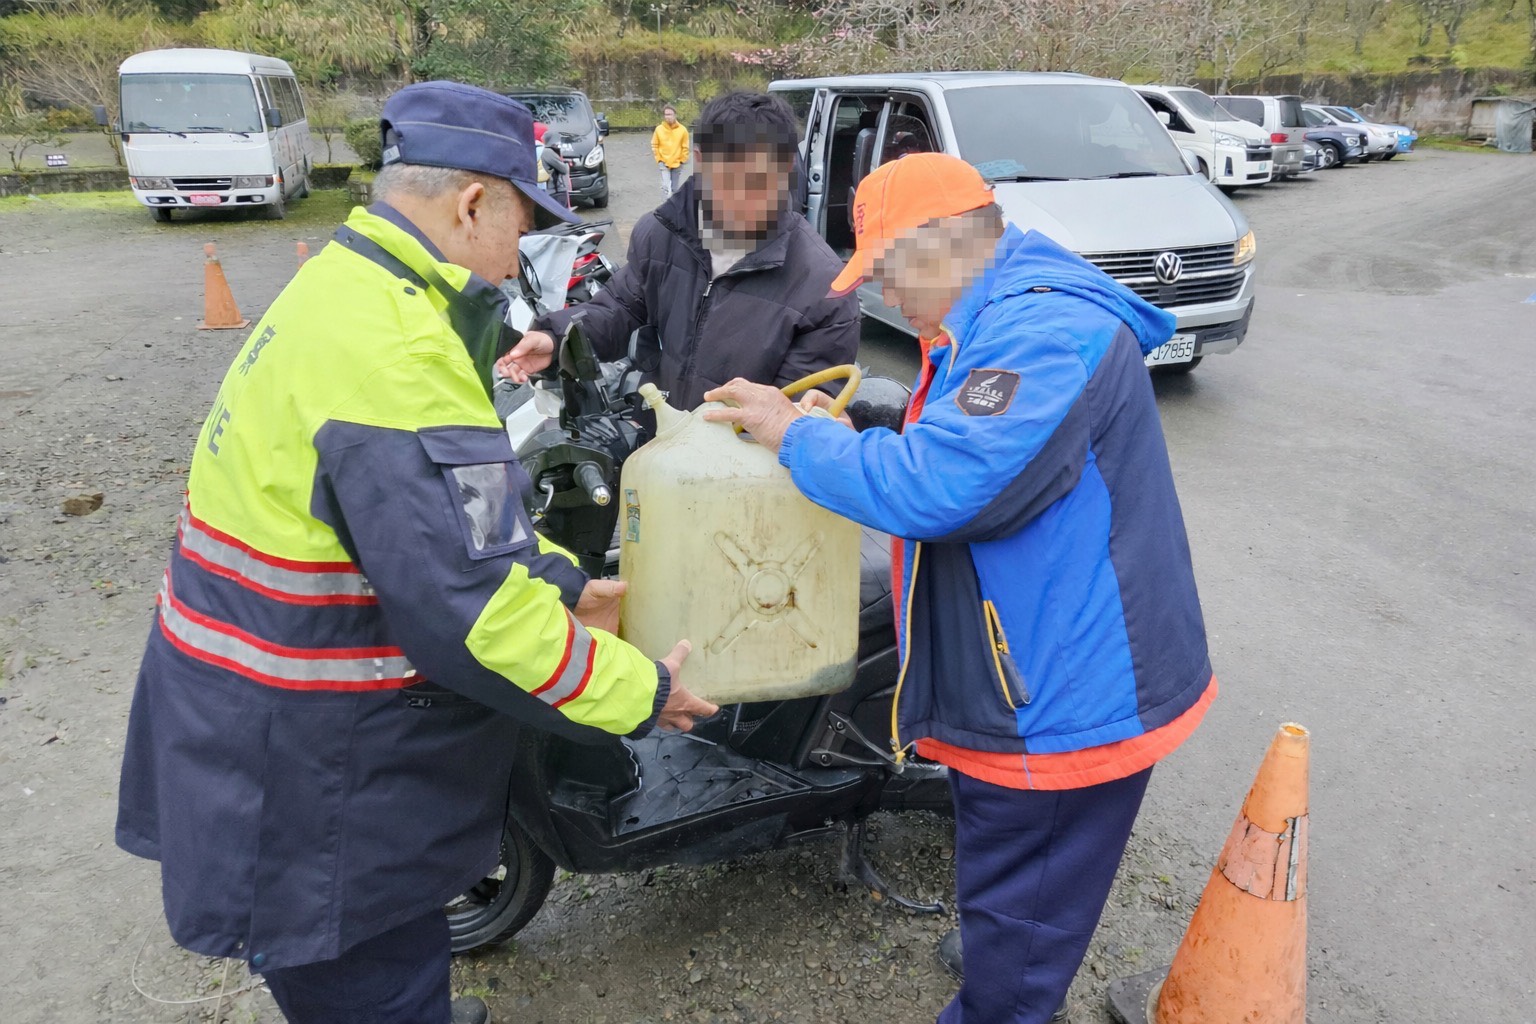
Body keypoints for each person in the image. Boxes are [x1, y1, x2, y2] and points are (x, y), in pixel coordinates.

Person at [114, 81, 718, 1024]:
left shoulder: (339, 287)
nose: (519, 254)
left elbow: (429, 534)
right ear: (473, 203)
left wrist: (562, 583)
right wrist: (639, 692)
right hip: (315, 771)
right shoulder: (399, 356)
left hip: (251, 715)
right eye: (521, 225)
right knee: (370, 979)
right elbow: (470, 613)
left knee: (380, 965)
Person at [702, 153, 1216, 1024]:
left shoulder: (1041, 335)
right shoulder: (998, 319)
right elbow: (984, 442)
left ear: (945, 244)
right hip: (1042, 669)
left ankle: (1007, 980)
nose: (884, 300)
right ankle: (1006, 945)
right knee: (1014, 891)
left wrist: (795, 434)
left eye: (890, 274)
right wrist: (873, 420)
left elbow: (943, 484)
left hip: (1059, 704)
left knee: (1020, 928)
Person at [498, 91, 859, 411]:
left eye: (760, 183)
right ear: (700, 162)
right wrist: (556, 338)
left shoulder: (825, 286)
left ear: (786, 168)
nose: (742, 201)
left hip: (745, 475)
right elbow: (620, 309)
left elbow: (805, 411)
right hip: (660, 443)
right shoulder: (662, 234)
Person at [652, 102, 690, 197]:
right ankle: (666, 208)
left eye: (670, 114)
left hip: (677, 163)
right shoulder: (659, 129)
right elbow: (654, 144)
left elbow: (685, 147)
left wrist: (682, 160)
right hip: (663, 162)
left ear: (675, 115)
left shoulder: (682, 130)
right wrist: (659, 159)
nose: (667, 117)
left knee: (674, 189)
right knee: (665, 187)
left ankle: (674, 208)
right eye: (666, 114)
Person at [534, 120, 571, 210]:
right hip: (550, 190)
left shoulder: (527, 149)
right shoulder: (547, 152)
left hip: (533, 190)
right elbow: (563, 170)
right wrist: (566, 164)